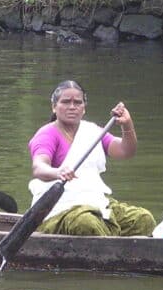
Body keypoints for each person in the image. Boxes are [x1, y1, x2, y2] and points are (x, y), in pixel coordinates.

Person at [27, 80, 155, 236]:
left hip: (95, 203)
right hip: (59, 209)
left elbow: (126, 151)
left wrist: (127, 125)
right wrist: (58, 172)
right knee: (86, 223)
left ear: (84, 108)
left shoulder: (93, 132)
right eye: (66, 102)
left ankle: (109, 239)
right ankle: (108, 245)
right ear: (54, 107)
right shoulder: (47, 133)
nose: (72, 107)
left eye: (78, 102)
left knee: (144, 219)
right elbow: (39, 167)